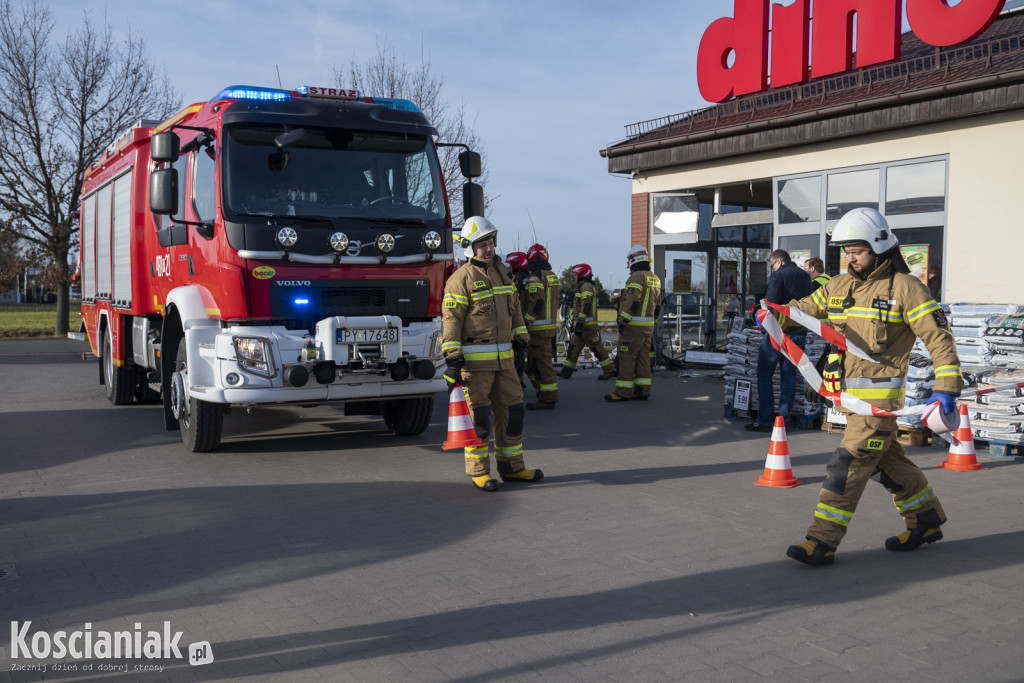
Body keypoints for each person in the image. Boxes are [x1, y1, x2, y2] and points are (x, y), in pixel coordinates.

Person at [784, 208, 962, 566]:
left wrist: (946, 387)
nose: (850, 258)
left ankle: (821, 541)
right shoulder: (838, 285)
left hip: (878, 407)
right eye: (846, 251)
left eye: (857, 251)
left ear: (880, 247)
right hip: (848, 401)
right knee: (888, 463)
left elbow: (939, 339)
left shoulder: (907, 289)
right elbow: (802, 311)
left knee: (846, 466)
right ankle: (925, 520)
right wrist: (774, 313)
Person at [442, 217, 544, 491]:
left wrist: (522, 341)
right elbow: (451, 320)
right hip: (475, 368)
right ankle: (479, 472)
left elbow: (517, 313)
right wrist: (452, 358)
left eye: (490, 242)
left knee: (513, 413)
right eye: (481, 244)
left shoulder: (504, 273)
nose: (488, 248)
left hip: (506, 364)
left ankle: (513, 468)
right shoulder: (460, 280)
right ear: (469, 248)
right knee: (480, 420)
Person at [745, 249, 813, 432]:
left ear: (779, 262)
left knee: (764, 375)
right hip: (799, 332)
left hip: (778, 333)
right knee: (789, 378)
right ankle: (783, 421)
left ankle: (766, 420)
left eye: (772, 265)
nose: (772, 269)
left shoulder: (778, 276)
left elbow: (771, 305)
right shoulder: (805, 276)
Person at [606, 245, 662, 402]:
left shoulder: (636, 277)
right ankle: (642, 390)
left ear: (633, 260)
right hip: (647, 327)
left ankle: (622, 392)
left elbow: (633, 301)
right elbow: (658, 306)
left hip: (633, 327)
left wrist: (623, 322)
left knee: (626, 357)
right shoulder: (654, 278)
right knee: (643, 358)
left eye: (629, 260)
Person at [521, 244, 560, 410]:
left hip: (537, 330)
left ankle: (548, 398)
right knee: (541, 363)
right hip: (549, 328)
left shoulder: (535, 278)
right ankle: (545, 394)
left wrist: (526, 322)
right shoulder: (552, 276)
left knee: (541, 364)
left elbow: (537, 302)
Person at [559, 264, 615, 380]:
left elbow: (586, 304)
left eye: (575, 275)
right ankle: (566, 371)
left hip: (587, 327)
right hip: (582, 326)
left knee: (597, 349)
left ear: (581, 274)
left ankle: (609, 371)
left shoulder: (587, 286)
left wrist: (580, 322)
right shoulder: (582, 287)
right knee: (573, 348)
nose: (575, 277)